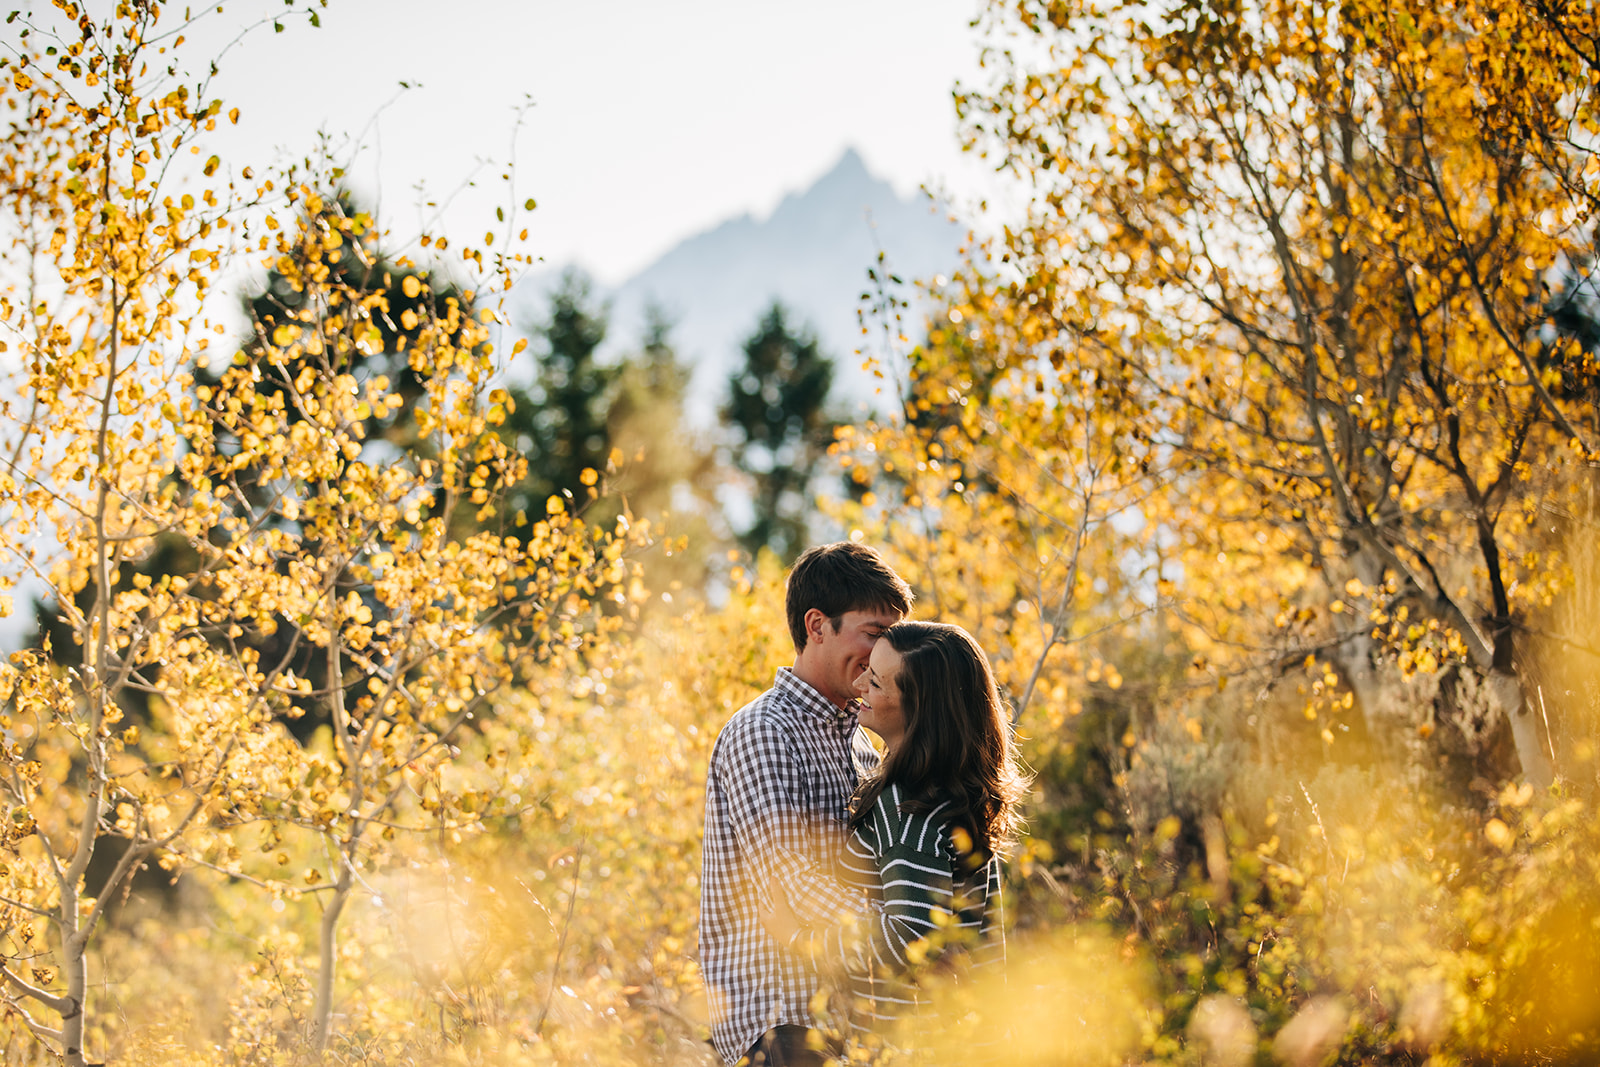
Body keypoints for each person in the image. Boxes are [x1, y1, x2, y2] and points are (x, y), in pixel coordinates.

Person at [758, 621, 1028, 1048]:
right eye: (868, 668)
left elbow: (907, 940)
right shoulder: (951, 796)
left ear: (919, 710)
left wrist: (799, 940)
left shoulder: (910, 812)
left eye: (878, 681)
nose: (861, 683)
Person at [700, 542, 915, 1067]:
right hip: (782, 1020)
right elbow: (790, 877)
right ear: (817, 626)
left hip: (845, 1026)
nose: (882, 653)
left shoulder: (863, 743)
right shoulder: (765, 730)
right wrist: (903, 937)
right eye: (872, 633)